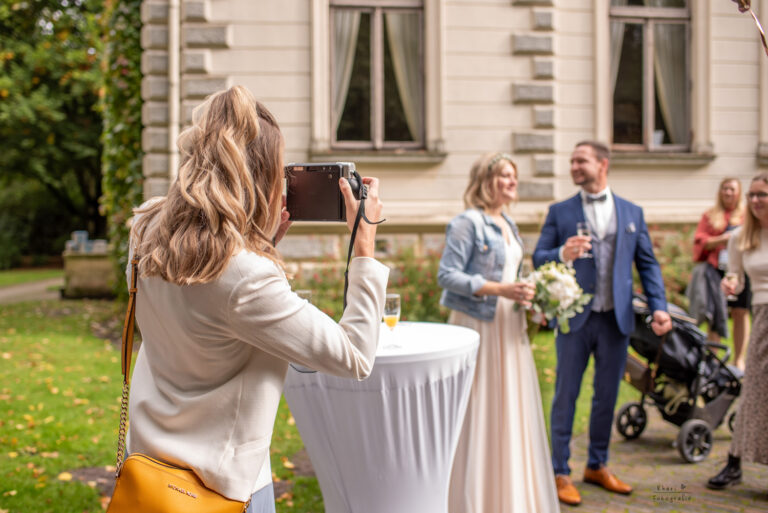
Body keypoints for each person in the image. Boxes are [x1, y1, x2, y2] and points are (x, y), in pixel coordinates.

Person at [125, 86, 388, 512]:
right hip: (224, 489)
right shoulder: (246, 276)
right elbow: (355, 355)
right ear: (259, 176)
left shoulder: (146, 230)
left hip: (152, 469)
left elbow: (208, 305)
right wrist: (364, 246)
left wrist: (260, 244)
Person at [532, 140, 672, 506]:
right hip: (575, 320)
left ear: (602, 164)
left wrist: (659, 306)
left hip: (616, 320)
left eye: (581, 160)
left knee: (606, 397)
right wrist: (563, 253)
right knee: (566, 395)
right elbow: (538, 257)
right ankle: (559, 471)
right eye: (572, 160)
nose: (574, 166)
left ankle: (597, 465)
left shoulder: (631, 213)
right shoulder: (560, 212)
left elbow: (648, 264)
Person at [438, 152, 560, 513]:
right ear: (485, 180)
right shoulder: (467, 222)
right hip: (479, 325)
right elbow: (447, 275)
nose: (512, 182)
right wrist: (501, 289)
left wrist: (528, 294)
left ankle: (511, 496)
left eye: (514, 177)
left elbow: (513, 275)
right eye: (504, 175)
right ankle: (472, 498)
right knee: (480, 408)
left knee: (510, 406)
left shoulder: (508, 222)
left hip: (510, 326)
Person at [707, 172, 768, 491]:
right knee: (755, 388)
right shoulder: (740, 237)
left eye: (763, 195)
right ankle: (734, 463)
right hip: (763, 316)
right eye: (753, 195)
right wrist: (730, 284)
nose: (756, 201)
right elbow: (736, 280)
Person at [690, 178, 751, 368]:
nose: (728, 192)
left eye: (732, 189)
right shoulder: (710, 215)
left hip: (741, 270)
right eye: (725, 188)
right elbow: (700, 240)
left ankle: (739, 359)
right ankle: (713, 359)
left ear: (739, 192)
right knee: (714, 313)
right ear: (720, 192)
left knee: (740, 312)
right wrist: (722, 239)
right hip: (716, 269)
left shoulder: (747, 216)